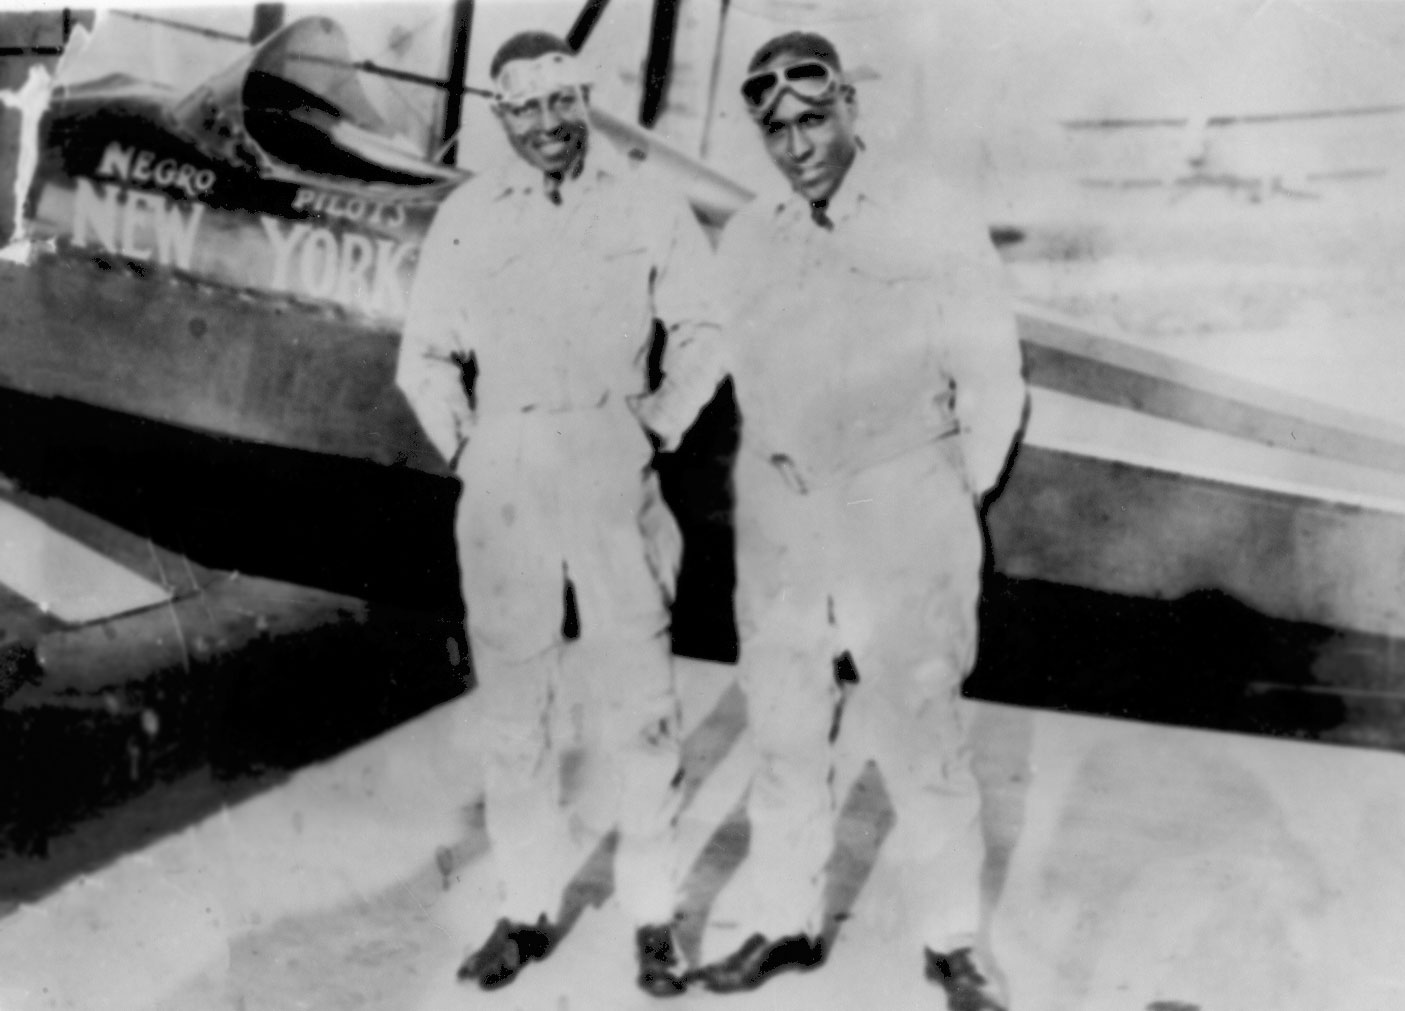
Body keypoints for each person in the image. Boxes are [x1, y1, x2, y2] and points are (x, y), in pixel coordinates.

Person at [636, 30, 1026, 1008]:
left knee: (921, 733)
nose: (799, 144)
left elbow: (993, 377)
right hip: (782, 515)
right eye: (778, 131)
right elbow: (706, 351)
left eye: (815, 119)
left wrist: (948, 494)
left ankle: (951, 947)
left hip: (901, 506)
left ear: (848, 104)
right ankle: (784, 925)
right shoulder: (753, 235)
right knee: (782, 729)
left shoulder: (929, 216)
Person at [395, 30, 719, 997]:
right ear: (502, 117)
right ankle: (526, 908)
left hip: (613, 471)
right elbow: (425, 357)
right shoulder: (468, 214)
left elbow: (705, 328)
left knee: (645, 710)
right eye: (524, 108)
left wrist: (656, 425)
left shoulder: (649, 204)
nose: (547, 124)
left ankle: (655, 918)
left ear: (586, 99)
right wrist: (466, 447)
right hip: (505, 478)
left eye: (561, 102)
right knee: (515, 715)